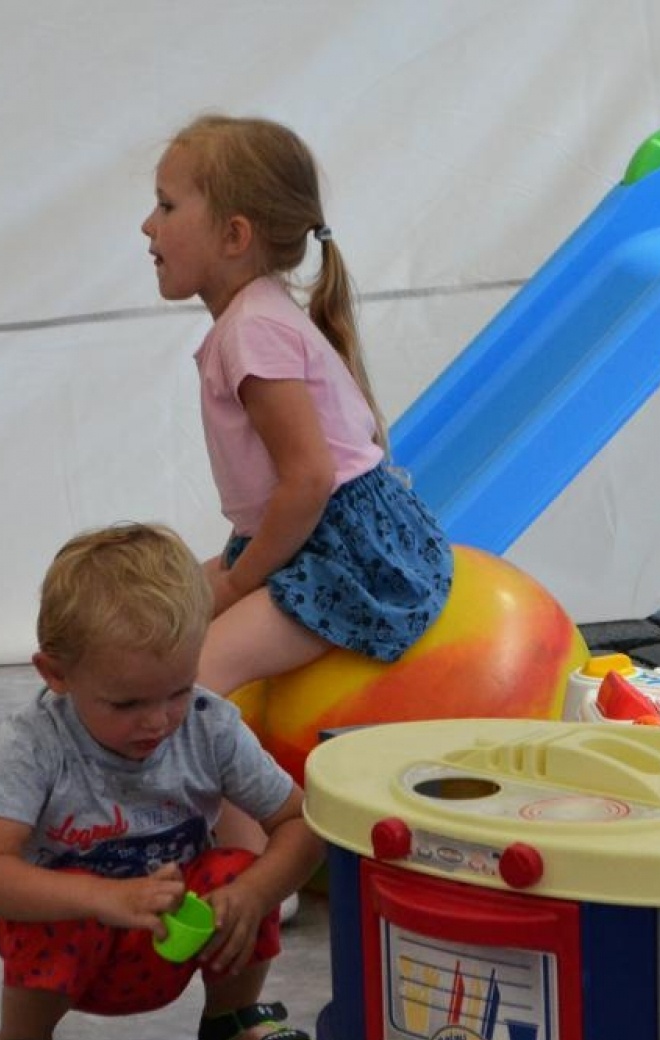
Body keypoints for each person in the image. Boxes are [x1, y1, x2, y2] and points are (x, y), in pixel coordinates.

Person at [0, 523, 325, 1040]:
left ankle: (231, 1021)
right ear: (56, 673)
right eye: (125, 704)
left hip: (177, 931)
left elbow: (300, 821)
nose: (156, 722)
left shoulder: (209, 724)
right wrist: (105, 898)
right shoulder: (35, 743)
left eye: (177, 691)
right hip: (71, 947)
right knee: (47, 894)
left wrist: (257, 892)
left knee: (238, 872)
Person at [140, 114, 454, 701]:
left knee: (197, 679)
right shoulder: (254, 316)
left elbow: (309, 479)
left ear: (234, 236)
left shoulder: (252, 331)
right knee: (150, 633)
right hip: (310, 537)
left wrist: (240, 583)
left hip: (345, 556)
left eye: (166, 207)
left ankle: (249, 798)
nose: (147, 226)